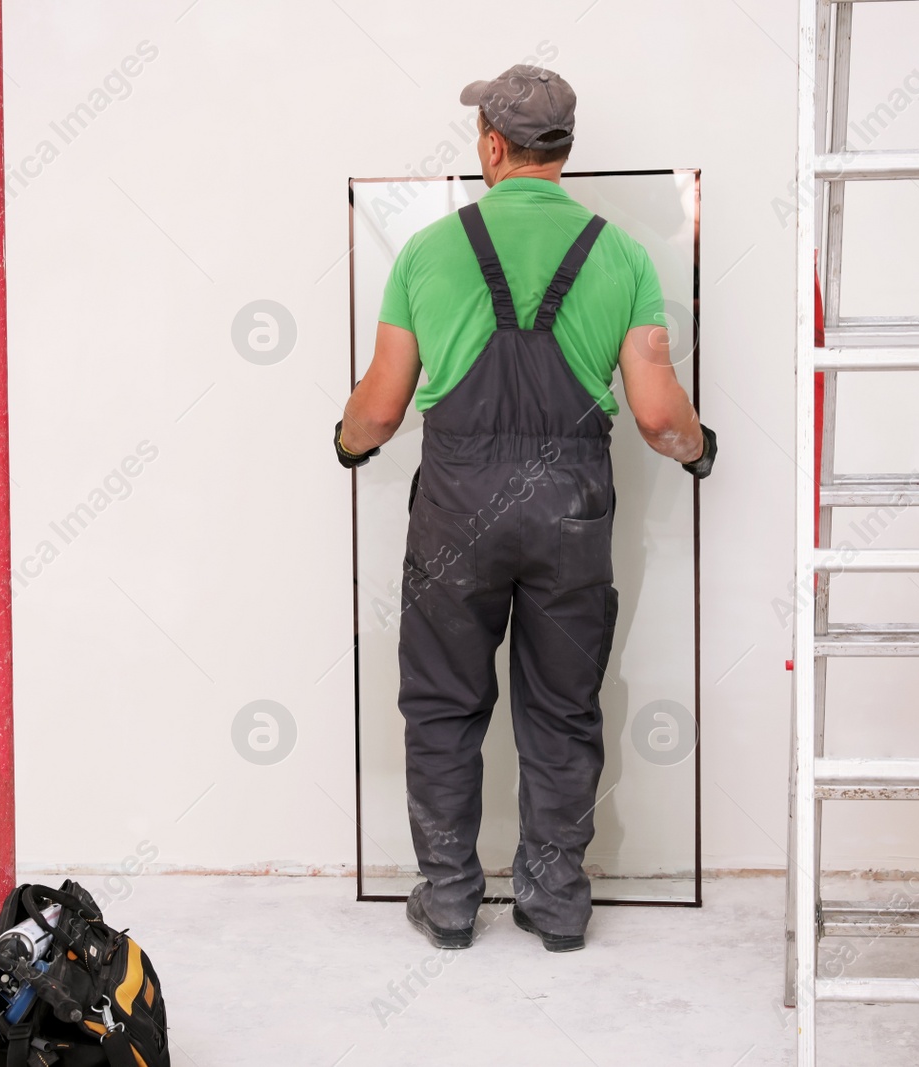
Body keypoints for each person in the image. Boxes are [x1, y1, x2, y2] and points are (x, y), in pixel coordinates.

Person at [334, 64, 715, 953]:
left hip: (457, 504)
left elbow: (381, 408)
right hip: (571, 505)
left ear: (493, 146)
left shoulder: (428, 252)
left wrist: (350, 444)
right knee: (562, 703)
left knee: (440, 702)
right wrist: (700, 451)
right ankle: (554, 901)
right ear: (566, 151)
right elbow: (660, 414)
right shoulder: (620, 254)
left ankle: (453, 897)